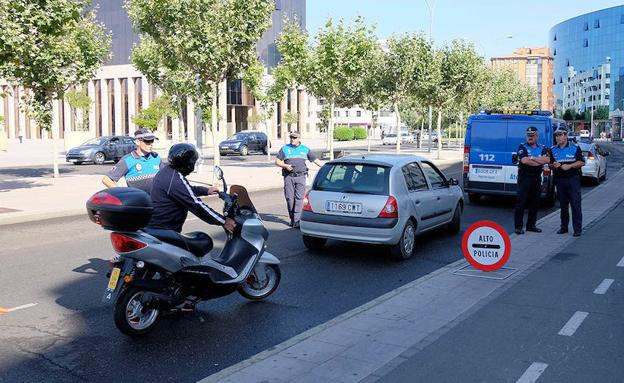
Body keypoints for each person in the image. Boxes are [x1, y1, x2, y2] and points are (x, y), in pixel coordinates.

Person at [147, 143, 236, 234]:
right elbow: (196, 206)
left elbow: (185, 191)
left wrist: (206, 190)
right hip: (165, 232)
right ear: (187, 164)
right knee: (204, 242)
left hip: (158, 228)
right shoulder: (175, 180)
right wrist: (224, 221)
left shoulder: (167, 172)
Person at [275, 132, 323, 228]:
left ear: (299, 139)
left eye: (295, 137)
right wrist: (285, 166)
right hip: (289, 177)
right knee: (289, 198)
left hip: (301, 177)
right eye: (291, 137)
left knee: (299, 199)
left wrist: (328, 167)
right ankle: (292, 218)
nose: (292, 139)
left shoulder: (305, 149)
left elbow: (316, 161)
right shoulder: (285, 149)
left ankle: (297, 220)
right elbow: (277, 161)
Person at [102, 128, 163, 194]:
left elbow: (165, 176)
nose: (151, 144)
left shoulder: (156, 157)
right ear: (137, 142)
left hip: (157, 201)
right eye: (147, 141)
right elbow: (107, 179)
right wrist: (123, 194)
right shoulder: (128, 160)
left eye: (152, 141)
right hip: (139, 202)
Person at [514, 126, 551, 235]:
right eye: (528, 135)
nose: (530, 137)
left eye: (532, 135)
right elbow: (525, 161)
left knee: (535, 202)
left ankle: (531, 225)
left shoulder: (542, 147)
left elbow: (547, 160)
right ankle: (518, 227)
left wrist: (533, 158)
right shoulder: (522, 147)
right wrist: (538, 160)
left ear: (537, 136)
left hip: (536, 178)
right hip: (524, 178)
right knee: (521, 202)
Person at [550, 127, 585, 237]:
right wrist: (553, 165)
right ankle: (563, 227)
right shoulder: (553, 149)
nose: (558, 137)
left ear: (565, 136)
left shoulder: (575, 148)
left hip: (573, 180)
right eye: (556, 135)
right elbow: (550, 164)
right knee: (563, 206)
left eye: (560, 135)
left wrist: (569, 166)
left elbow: (581, 162)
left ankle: (577, 229)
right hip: (560, 180)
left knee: (575, 205)